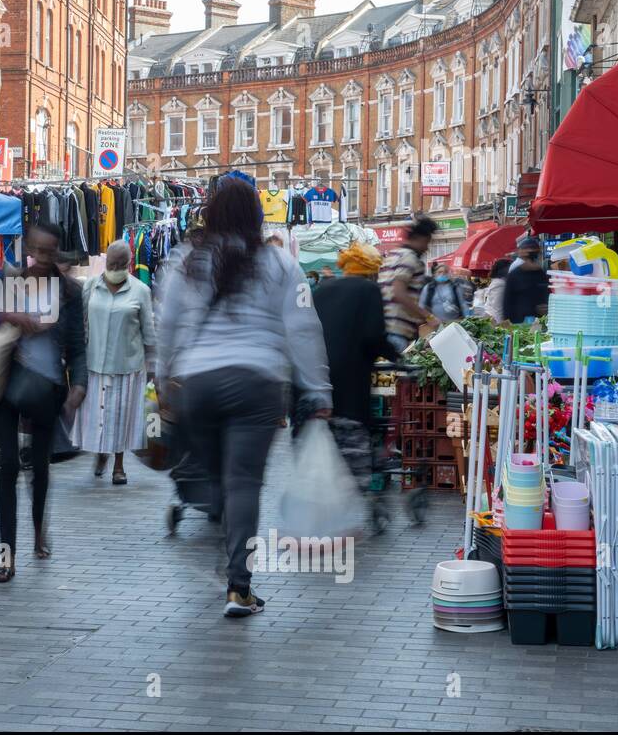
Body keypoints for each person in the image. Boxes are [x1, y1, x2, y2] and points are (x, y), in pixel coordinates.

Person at [156, 178, 332, 618]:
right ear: (256, 215)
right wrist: (318, 388)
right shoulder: (278, 262)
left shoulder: (185, 260)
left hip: (198, 384)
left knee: (220, 480)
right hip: (258, 383)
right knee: (244, 484)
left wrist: (163, 382)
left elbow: (167, 325)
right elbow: (304, 328)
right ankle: (239, 586)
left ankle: (227, 541)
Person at [0, 221, 87, 583]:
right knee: (8, 467)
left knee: (41, 470)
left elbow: (78, 345)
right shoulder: (7, 282)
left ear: (57, 251)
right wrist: (11, 316)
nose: (44, 258)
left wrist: (78, 385)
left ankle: (37, 531)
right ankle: (6, 558)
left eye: (50, 251)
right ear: (28, 247)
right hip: (4, 383)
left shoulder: (71, 293)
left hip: (47, 389)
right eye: (38, 250)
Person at [313, 244, 398, 520]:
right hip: (352, 382)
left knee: (327, 441)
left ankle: (325, 498)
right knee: (353, 441)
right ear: (371, 273)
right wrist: (395, 356)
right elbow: (374, 336)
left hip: (318, 381)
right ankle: (352, 502)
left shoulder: (322, 289)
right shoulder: (369, 291)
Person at [73, 240, 156, 486]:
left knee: (120, 417)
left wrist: (153, 368)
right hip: (95, 363)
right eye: (112, 263)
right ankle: (101, 454)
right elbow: (82, 324)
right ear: (106, 262)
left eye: (121, 264)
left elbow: (148, 332)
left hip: (127, 364)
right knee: (99, 416)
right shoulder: (90, 286)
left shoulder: (141, 291)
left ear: (128, 264)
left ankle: (118, 466)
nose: (116, 267)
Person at [379, 215, 437, 354]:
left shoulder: (393, 255)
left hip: (383, 328)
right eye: (426, 243)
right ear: (419, 238)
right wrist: (429, 317)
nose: (426, 248)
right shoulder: (410, 258)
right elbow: (398, 293)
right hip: (396, 332)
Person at [502, 235, 550, 325]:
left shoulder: (541, 274)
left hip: (537, 323)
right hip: (518, 323)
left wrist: (545, 307)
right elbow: (507, 303)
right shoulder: (514, 274)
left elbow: (546, 296)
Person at [480, 257, 511, 323]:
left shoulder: (498, 282)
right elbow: (497, 307)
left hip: (492, 317)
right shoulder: (500, 284)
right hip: (494, 319)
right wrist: (500, 325)